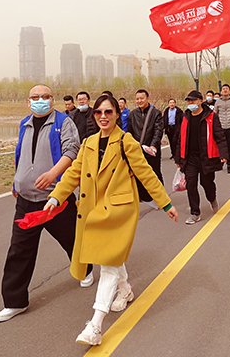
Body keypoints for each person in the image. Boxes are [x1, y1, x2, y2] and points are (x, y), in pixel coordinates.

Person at [44, 95, 178, 346]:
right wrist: (55, 198)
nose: (103, 116)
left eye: (108, 111)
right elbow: (73, 173)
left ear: (118, 113)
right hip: (92, 210)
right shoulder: (88, 143)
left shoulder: (126, 141)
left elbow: (145, 173)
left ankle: (95, 325)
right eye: (98, 112)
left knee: (107, 263)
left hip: (118, 212)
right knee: (111, 259)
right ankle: (125, 288)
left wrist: (165, 203)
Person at [0, 84, 92, 323]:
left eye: (45, 97)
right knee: (19, 250)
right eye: (35, 97)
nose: (40, 100)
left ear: (52, 100)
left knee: (71, 238)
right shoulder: (24, 124)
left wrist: (53, 173)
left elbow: (72, 150)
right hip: (26, 201)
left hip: (55, 198)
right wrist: (17, 181)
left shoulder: (63, 122)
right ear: (28, 102)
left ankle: (85, 269)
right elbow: (21, 153)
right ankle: (15, 302)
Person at [175, 90, 228, 224]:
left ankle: (212, 198)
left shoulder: (211, 116)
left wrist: (223, 154)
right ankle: (195, 213)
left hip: (206, 157)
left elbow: (220, 136)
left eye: (193, 100)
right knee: (191, 185)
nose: (190, 103)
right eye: (188, 101)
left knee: (207, 183)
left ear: (200, 100)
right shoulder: (185, 117)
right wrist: (178, 158)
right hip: (190, 158)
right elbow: (180, 139)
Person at [127, 89, 164, 204]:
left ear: (148, 98)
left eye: (142, 98)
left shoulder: (156, 113)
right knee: (137, 173)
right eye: (137, 99)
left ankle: (160, 197)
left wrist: (153, 146)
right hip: (137, 150)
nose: (139, 101)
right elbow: (129, 132)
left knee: (155, 173)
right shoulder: (133, 114)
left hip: (151, 150)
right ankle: (142, 196)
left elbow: (158, 131)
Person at [213, 83, 230, 173]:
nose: (225, 90)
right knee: (221, 145)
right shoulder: (218, 102)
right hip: (221, 127)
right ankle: (221, 161)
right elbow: (215, 114)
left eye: (226, 89)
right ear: (221, 91)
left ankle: (229, 164)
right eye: (223, 89)